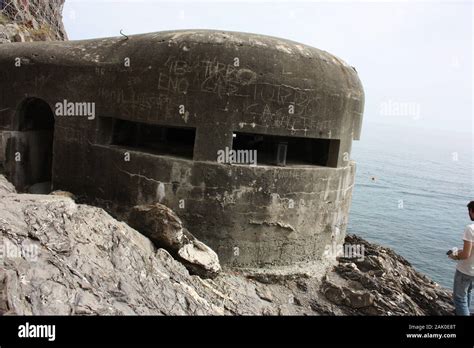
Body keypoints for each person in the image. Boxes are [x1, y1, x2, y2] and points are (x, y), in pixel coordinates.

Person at [448, 201, 474, 315]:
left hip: (466, 270)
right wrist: (460, 251)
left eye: (469, 211)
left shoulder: (470, 228)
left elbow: (466, 255)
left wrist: (454, 256)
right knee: (467, 292)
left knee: (459, 298)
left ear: (472, 211)